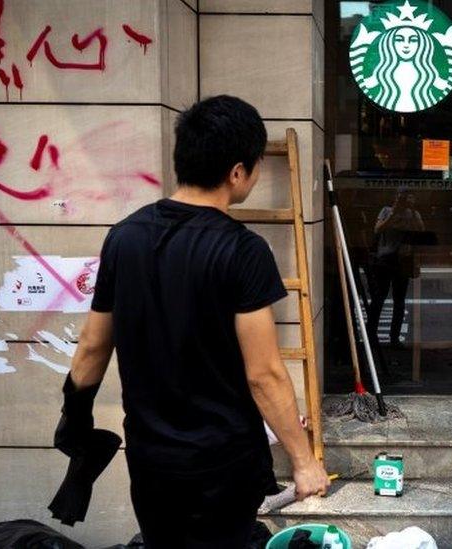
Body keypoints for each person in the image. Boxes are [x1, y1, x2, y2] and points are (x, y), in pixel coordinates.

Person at [60, 95, 330, 547]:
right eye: (257, 165)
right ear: (237, 172)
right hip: (223, 463)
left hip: (150, 459)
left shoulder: (124, 236)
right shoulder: (243, 251)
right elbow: (264, 374)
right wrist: (303, 462)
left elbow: (91, 348)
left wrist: (76, 423)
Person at [366, 187, 424, 350]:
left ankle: (394, 337)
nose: (403, 200)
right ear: (395, 198)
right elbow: (377, 229)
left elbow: (421, 231)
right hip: (385, 259)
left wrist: (411, 211)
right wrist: (393, 214)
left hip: (403, 261)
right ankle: (371, 335)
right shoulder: (386, 211)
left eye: (406, 197)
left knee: (399, 300)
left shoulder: (414, 214)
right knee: (379, 298)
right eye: (400, 197)